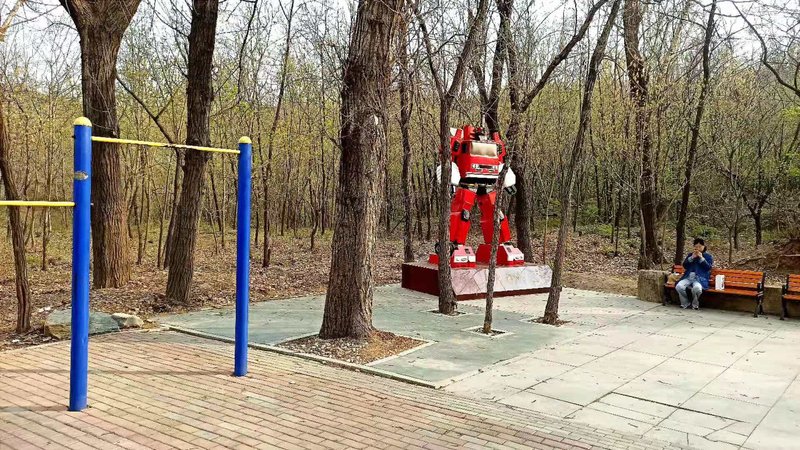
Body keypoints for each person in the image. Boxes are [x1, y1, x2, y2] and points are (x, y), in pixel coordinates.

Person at [676, 238, 713, 310]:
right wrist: (691, 258)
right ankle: (685, 303)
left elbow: (708, 268)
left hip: (700, 278)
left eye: (700, 246)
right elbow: (685, 265)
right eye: (696, 246)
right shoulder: (690, 255)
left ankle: (695, 304)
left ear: (704, 247)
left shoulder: (708, 256)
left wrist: (701, 258)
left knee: (697, 289)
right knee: (679, 286)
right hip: (688, 277)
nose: (698, 248)